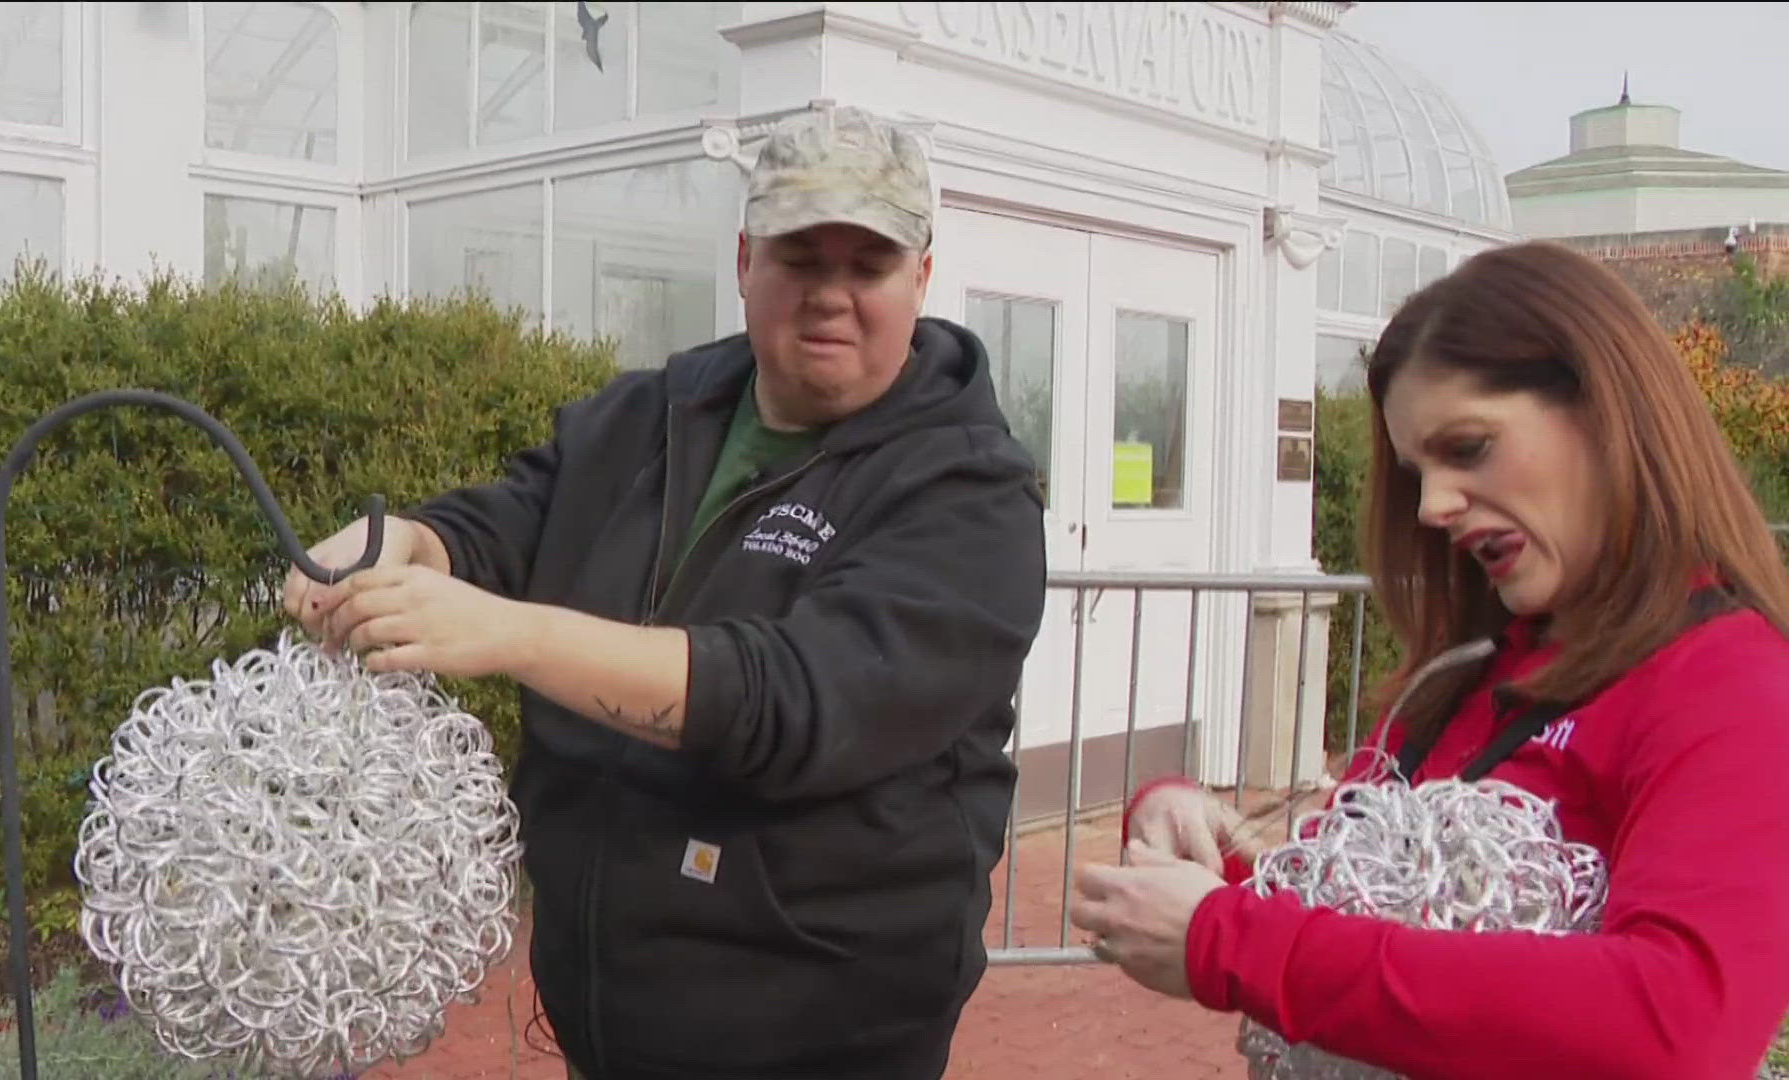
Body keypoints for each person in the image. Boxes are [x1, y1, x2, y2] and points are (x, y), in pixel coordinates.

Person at [282, 103, 1047, 1080]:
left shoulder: (968, 493)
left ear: (923, 279)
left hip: (824, 1037)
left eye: (869, 265)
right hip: (613, 1024)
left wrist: (509, 635)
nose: (831, 293)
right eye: (801, 257)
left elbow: (792, 700)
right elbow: (514, 518)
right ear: (744, 261)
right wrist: (406, 542)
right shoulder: (652, 415)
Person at [1071, 240, 1789, 1079]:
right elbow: (1395, 918)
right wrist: (1212, 849)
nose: (1435, 505)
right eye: (1418, 469)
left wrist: (1230, 940)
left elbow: (1679, 1024)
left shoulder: (1731, 683)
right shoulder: (1475, 669)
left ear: (1608, 413)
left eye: (1470, 447)